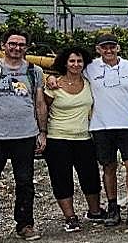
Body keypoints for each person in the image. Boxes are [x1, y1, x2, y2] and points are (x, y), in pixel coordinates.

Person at [0, 30, 48, 243]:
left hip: (25, 136)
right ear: (3, 45)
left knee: (25, 183)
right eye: (12, 44)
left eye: (21, 45)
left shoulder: (34, 72)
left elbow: (39, 103)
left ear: (27, 48)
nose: (17, 48)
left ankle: (25, 224)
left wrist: (42, 132)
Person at [86, 32, 128, 226]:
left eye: (112, 46)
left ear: (118, 48)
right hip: (101, 126)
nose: (109, 50)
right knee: (108, 167)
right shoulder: (90, 67)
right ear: (98, 49)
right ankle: (113, 207)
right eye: (104, 47)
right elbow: (70, 76)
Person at [43, 46, 100, 232]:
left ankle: (95, 211)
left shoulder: (89, 82)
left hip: (84, 137)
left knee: (90, 176)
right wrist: (41, 133)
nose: (76, 64)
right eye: (72, 61)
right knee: (61, 178)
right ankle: (70, 217)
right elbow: (43, 109)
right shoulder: (54, 85)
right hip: (57, 138)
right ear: (65, 63)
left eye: (79, 61)